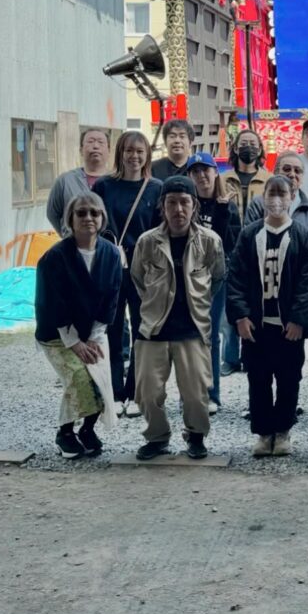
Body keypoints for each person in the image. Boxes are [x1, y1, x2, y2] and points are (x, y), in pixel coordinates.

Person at [130, 175, 226, 461]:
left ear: (194, 205)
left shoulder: (210, 241)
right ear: (163, 206)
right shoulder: (147, 242)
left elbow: (218, 277)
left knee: (196, 395)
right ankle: (158, 437)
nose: (178, 210)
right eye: (171, 203)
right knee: (147, 393)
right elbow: (137, 279)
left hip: (193, 329)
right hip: (153, 330)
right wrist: (156, 301)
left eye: (184, 202)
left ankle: (195, 436)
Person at [227, 175, 308, 458]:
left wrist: (299, 319)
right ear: (263, 196)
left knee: (289, 379)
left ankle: (282, 431)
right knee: (258, 379)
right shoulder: (250, 234)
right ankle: (263, 432)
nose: (277, 199)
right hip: (256, 326)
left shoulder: (303, 235)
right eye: (272, 193)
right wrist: (240, 315)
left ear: (292, 197)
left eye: (283, 193)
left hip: (287, 328)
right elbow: (237, 278)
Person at [35, 192, 122, 458]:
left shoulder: (111, 254)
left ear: (103, 217)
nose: (88, 218)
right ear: (70, 220)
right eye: (81, 213)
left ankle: (88, 429)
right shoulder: (55, 258)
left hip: (94, 330)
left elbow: (111, 297)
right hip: (57, 334)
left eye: (94, 213)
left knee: (100, 380)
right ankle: (65, 432)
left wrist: (95, 337)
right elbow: (52, 303)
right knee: (80, 378)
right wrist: (74, 342)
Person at [92, 131, 162, 416]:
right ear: (120, 153)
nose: (134, 156)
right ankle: (114, 390)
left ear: (147, 155)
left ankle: (135, 389)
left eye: (140, 151)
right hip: (109, 267)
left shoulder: (156, 187)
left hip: (143, 269)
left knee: (142, 329)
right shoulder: (104, 186)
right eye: (129, 150)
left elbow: (160, 230)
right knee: (110, 327)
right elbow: (93, 222)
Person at [186, 152, 241, 413]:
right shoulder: (184, 204)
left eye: (205, 170)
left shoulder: (227, 206)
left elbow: (226, 245)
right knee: (188, 336)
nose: (201, 176)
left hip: (216, 278)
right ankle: (190, 393)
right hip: (187, 277)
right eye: (195, 172)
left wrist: (221, 210)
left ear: (214, 173)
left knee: (211, 336)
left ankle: (212, 394)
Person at [45, 128, 110, 235]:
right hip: (73, 248)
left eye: (101, 142)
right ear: (81, 150)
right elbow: (53, 214)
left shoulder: (116, 182)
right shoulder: (65, 181)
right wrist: (68, 234)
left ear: (108, 150)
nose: (96, 146)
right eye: (90, 141)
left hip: (107, 248)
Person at [245, 151, 308, 231]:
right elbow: (247, 238)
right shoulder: (259, 203)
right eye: (287, 169)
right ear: (275, 173)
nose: (292, 174)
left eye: (297, 171)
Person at [222, 129, 271, 219]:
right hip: (231, 231)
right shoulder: (223, 179)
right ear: (236, 149)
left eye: (252, 144)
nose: (248, 147)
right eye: (243, 144)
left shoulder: (269, 180)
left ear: (259, 150)